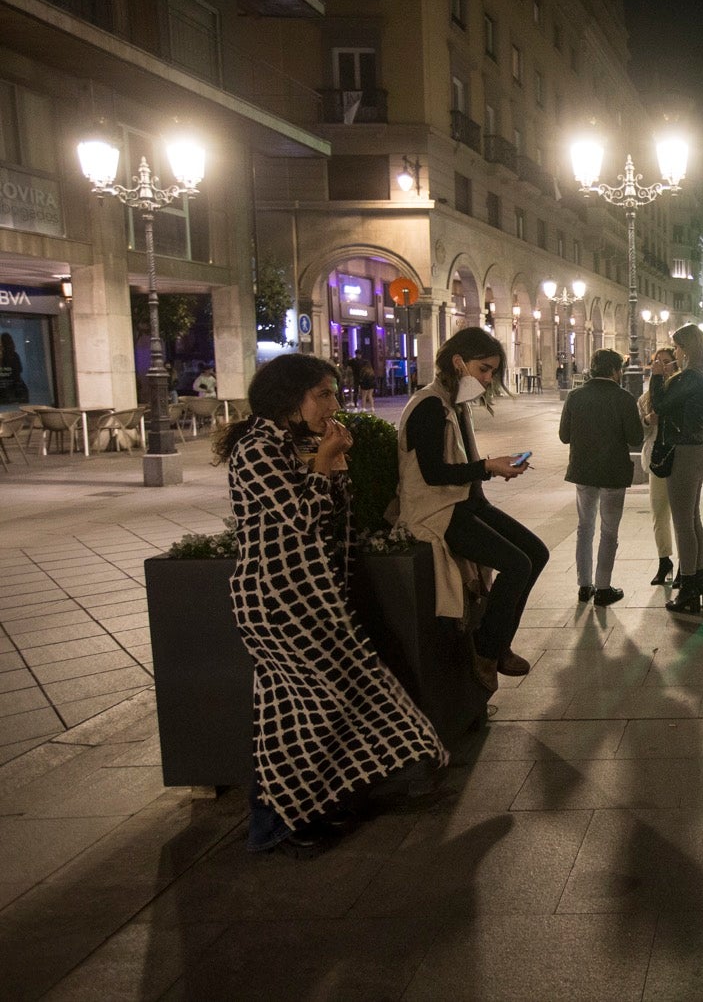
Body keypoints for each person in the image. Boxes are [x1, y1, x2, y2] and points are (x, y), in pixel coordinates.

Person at [213, 354, 445, 858]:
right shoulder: (256, 450)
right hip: (272, 599)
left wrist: (333, 466)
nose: (334, 405)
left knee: (307, 708)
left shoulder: (293, 444)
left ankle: (306, 807)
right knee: (301, 710)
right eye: (323, 394)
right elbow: (300, 519)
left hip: (310, 595)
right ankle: (272, 822)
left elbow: (332, 519)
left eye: (333, 394)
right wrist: (322, 465)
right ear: (288, 399)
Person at [393, 328, 545, 691]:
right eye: (483, 369)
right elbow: (433, 475)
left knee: (536, 553)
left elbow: (458, 468)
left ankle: (498, 642)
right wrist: (488, 467)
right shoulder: (429, 405)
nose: (488, 379)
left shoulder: (453, 403)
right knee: (517, 564)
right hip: (435, 511)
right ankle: (486, 649)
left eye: (492, 371)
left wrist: (491, 471)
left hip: (464, 502)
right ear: (458, 362)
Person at [558, 348, 641, 606]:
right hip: (613, 472)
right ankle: (603, 588)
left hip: (583, 471)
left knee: (585, 527)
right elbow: (635, 438)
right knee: (609, 531)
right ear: (616, 371)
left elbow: (564, 436)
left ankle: (584, 585)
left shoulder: (575, 396)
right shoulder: (624, 398)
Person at [651, 323, 703, 614]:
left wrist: (656, 377)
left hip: (685, 452)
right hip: (698, 449)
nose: (675, 352)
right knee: (692, 519)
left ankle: (689, 587)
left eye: (677, 347)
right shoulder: (702, 375)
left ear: (687, 349)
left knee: (683, 523)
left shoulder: (691, 376)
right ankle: (700, 580)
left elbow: (660, 406)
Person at [639, 347, 677, 586]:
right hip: (657, 459)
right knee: (659, 512)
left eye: (666, 361)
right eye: (657, 361)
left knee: (683, 515)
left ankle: (687, 565)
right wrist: (647, 421)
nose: (661, 365)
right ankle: (664, 560)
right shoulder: (646, 398)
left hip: (681, 457)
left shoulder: (682, 391)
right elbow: (639, 432)